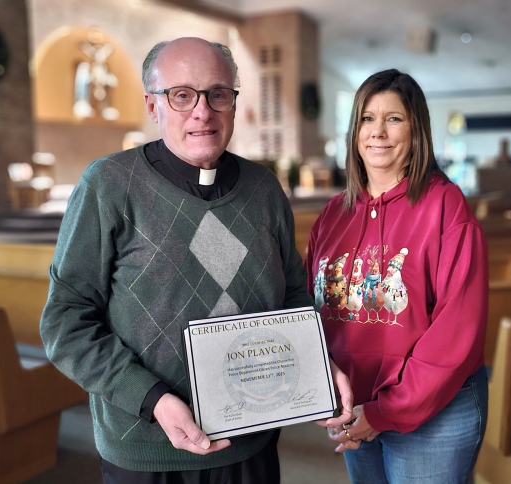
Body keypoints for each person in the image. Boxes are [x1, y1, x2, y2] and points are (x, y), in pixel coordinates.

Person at [41, 37, 350, 484]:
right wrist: (151, 398)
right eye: (182, 96)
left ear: (232, 103)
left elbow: (293, 297)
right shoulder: (109, 186)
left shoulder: (264, 189)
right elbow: (65, 321)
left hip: (251, 440)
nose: (202, 112)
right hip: (147, 444)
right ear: (153, 106)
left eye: (217, 94)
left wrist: (324, 365)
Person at [305, 69, 489, 483]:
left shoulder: (446, 206)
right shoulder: (334, 215)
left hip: (433, 411)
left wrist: (386, 411)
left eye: (394, 119)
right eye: (368, 119)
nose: (378, 133)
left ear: (416, 129)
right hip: (356, 406)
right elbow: (308, 307)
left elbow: (456, 332)